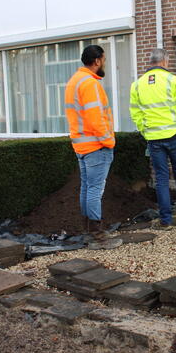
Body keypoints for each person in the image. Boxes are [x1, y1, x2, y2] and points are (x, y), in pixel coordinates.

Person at [64, 45, 121, 248]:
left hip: (81, 146)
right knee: (95, 190)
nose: (104, 63)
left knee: (87, 188)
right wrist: (108, 140)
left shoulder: (74, 82)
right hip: (96, 146)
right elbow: (96, 117)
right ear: (97, 61)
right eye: (104, 59)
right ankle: (98, 236)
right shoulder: (90, 84)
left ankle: (88, 231)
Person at [130, 48, 176, 229]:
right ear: (165, 61)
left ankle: (165, 221)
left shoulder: (137, 84)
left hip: (154, 138)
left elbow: (135, 112)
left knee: (161, 179)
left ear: (151, 62)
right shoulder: (173, 80)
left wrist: (145, 130)